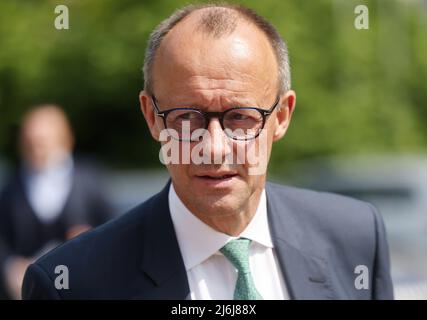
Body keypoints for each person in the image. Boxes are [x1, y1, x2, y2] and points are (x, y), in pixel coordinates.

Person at [22, 4, 393, 300]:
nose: (213, 148)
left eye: (240, 117)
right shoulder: (71, 284)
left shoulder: (356, 237)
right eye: (186, 117)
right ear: (152, 117)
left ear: (281, 117)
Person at [0, 105, 114, 299]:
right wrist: (10, 266)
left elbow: (115, 226)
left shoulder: (89, 180)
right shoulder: (12, 186)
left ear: (65, 140)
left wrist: (93, 241)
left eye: (42, 142)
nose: (36, 149)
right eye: (29, 143)